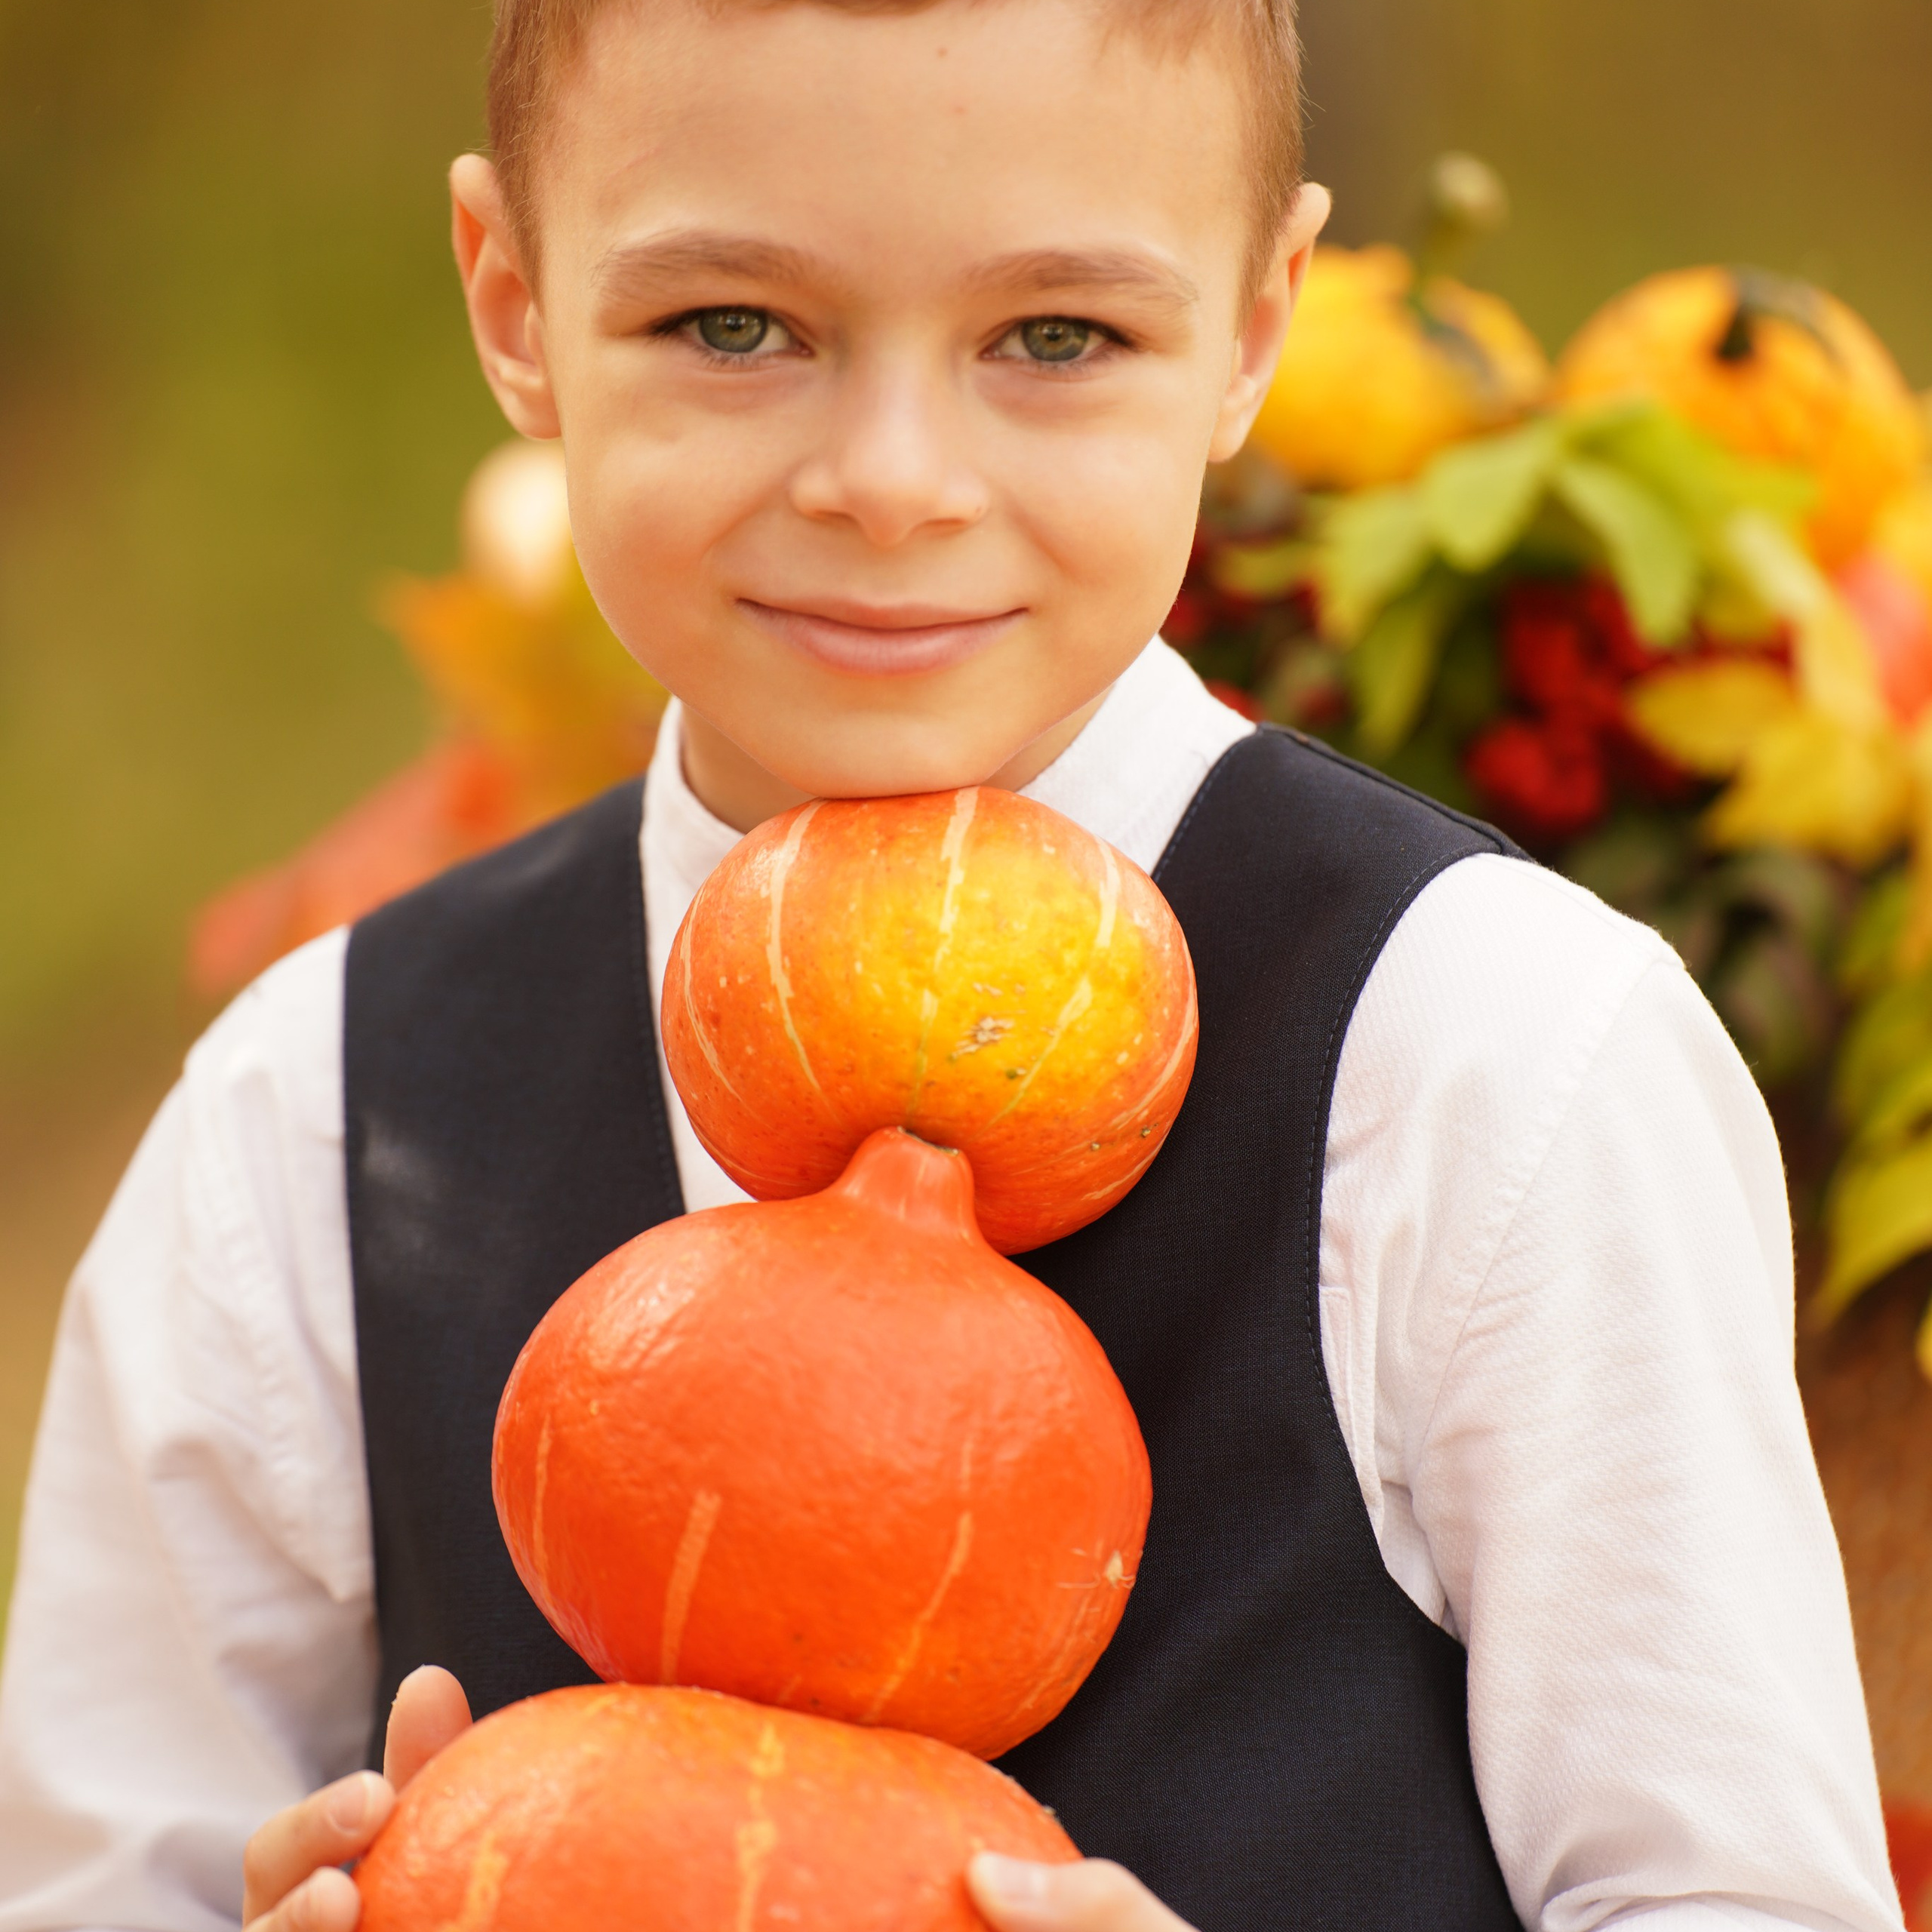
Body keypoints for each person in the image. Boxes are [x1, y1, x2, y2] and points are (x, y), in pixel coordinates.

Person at [0, 2, 1907, 1929]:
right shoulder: (322, 1109)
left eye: (1053, 336)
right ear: (514, 303)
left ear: (1253, 328)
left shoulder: (1490, 1056)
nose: (892, 481)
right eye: (732, 325)